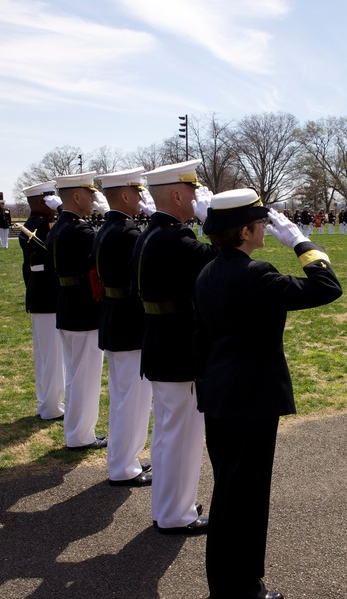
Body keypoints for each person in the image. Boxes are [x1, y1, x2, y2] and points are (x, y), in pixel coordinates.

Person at [194, 189, 342, 599]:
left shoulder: (207, 272)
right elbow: (327, 287)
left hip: (220, 395)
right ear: (246, 231)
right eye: (261, 223)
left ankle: (224, 581)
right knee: (247, 494)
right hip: (251, 398)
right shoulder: (255, 273)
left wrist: (206, 390)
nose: (266, 229)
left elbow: (199, 338)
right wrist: (301, 243)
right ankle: (241, 588)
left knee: (229, 490)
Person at [133, 159, 216, 535]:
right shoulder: (178, 239)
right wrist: (213, 220)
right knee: (180, 435)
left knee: (168, 432)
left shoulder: (150, 233)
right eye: (195, 192)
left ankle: (169, 504)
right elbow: (225, 264)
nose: (197, 197)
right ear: (179, 194)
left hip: (158, 342)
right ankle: (176, 513)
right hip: (178, 347)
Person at [94, 168, 155, 487]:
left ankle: (121, 460)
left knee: (122, 396)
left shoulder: (106, 228)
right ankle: (124, 466)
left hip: (113, 317)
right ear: (127, 195)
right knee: (132, 399)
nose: (142, 197)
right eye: (139, 192)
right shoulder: (130, 233)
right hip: (130, 322)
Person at [47, 172, 106, 449]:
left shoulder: (58, 227)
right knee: (84, 377)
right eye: (90, 195)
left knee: (75, 374)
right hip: (84, 309)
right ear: (78, 196)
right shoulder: (81, 231)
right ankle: (81, 436)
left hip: (67, 305)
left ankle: (77, 431)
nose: (93, 200)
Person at [20, 181, 65, 421]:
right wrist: (62, 212)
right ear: (40, 201)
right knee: (52, 356)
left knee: (47, 355)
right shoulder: (42, 226)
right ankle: (51, 406)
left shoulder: (34, 224)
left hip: (40, 294)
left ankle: (47, 401)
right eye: (49, 198)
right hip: (48, 296)